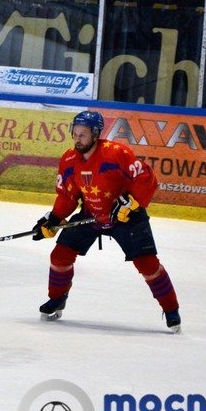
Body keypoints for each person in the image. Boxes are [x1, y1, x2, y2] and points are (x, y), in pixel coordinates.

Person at [32, 110, 181, 333]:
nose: (78, 138)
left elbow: (146, 177)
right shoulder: (69, 160)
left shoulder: (115, 154)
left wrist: (131, 203)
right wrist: (53, 219)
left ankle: (171, 310)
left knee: (147, 264)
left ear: (95, 134)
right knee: (60, 254)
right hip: (91, 215)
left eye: (83, 134)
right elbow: (67, 196)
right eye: (75, 133)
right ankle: (57, 299)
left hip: (125, 216)